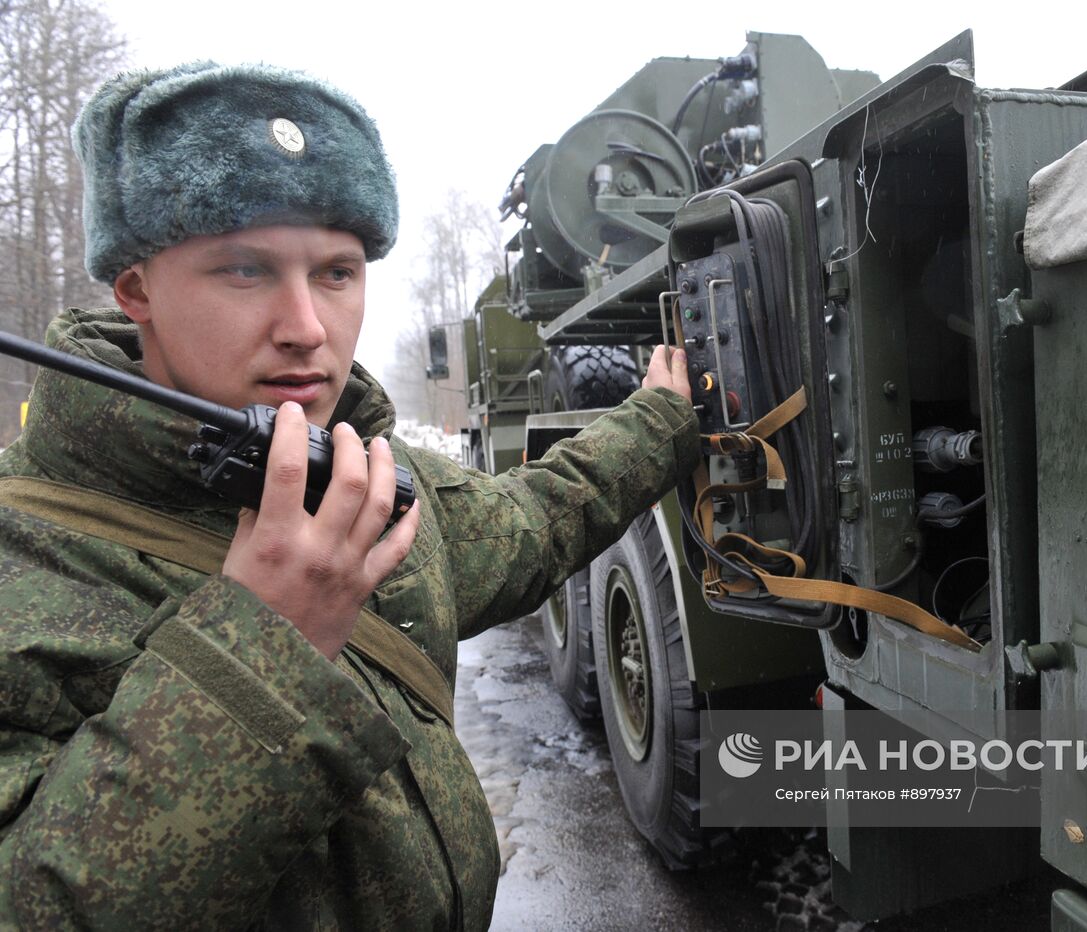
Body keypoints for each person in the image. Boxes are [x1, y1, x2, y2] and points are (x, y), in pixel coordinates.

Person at [0, 62, 695, 929]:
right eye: (244, 272)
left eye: (337, 272)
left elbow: (534, 520)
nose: (307, 327)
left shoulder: (362, 475)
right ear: (135, 289)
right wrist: (264, 653)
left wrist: (661, 420)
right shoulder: (28, 558)